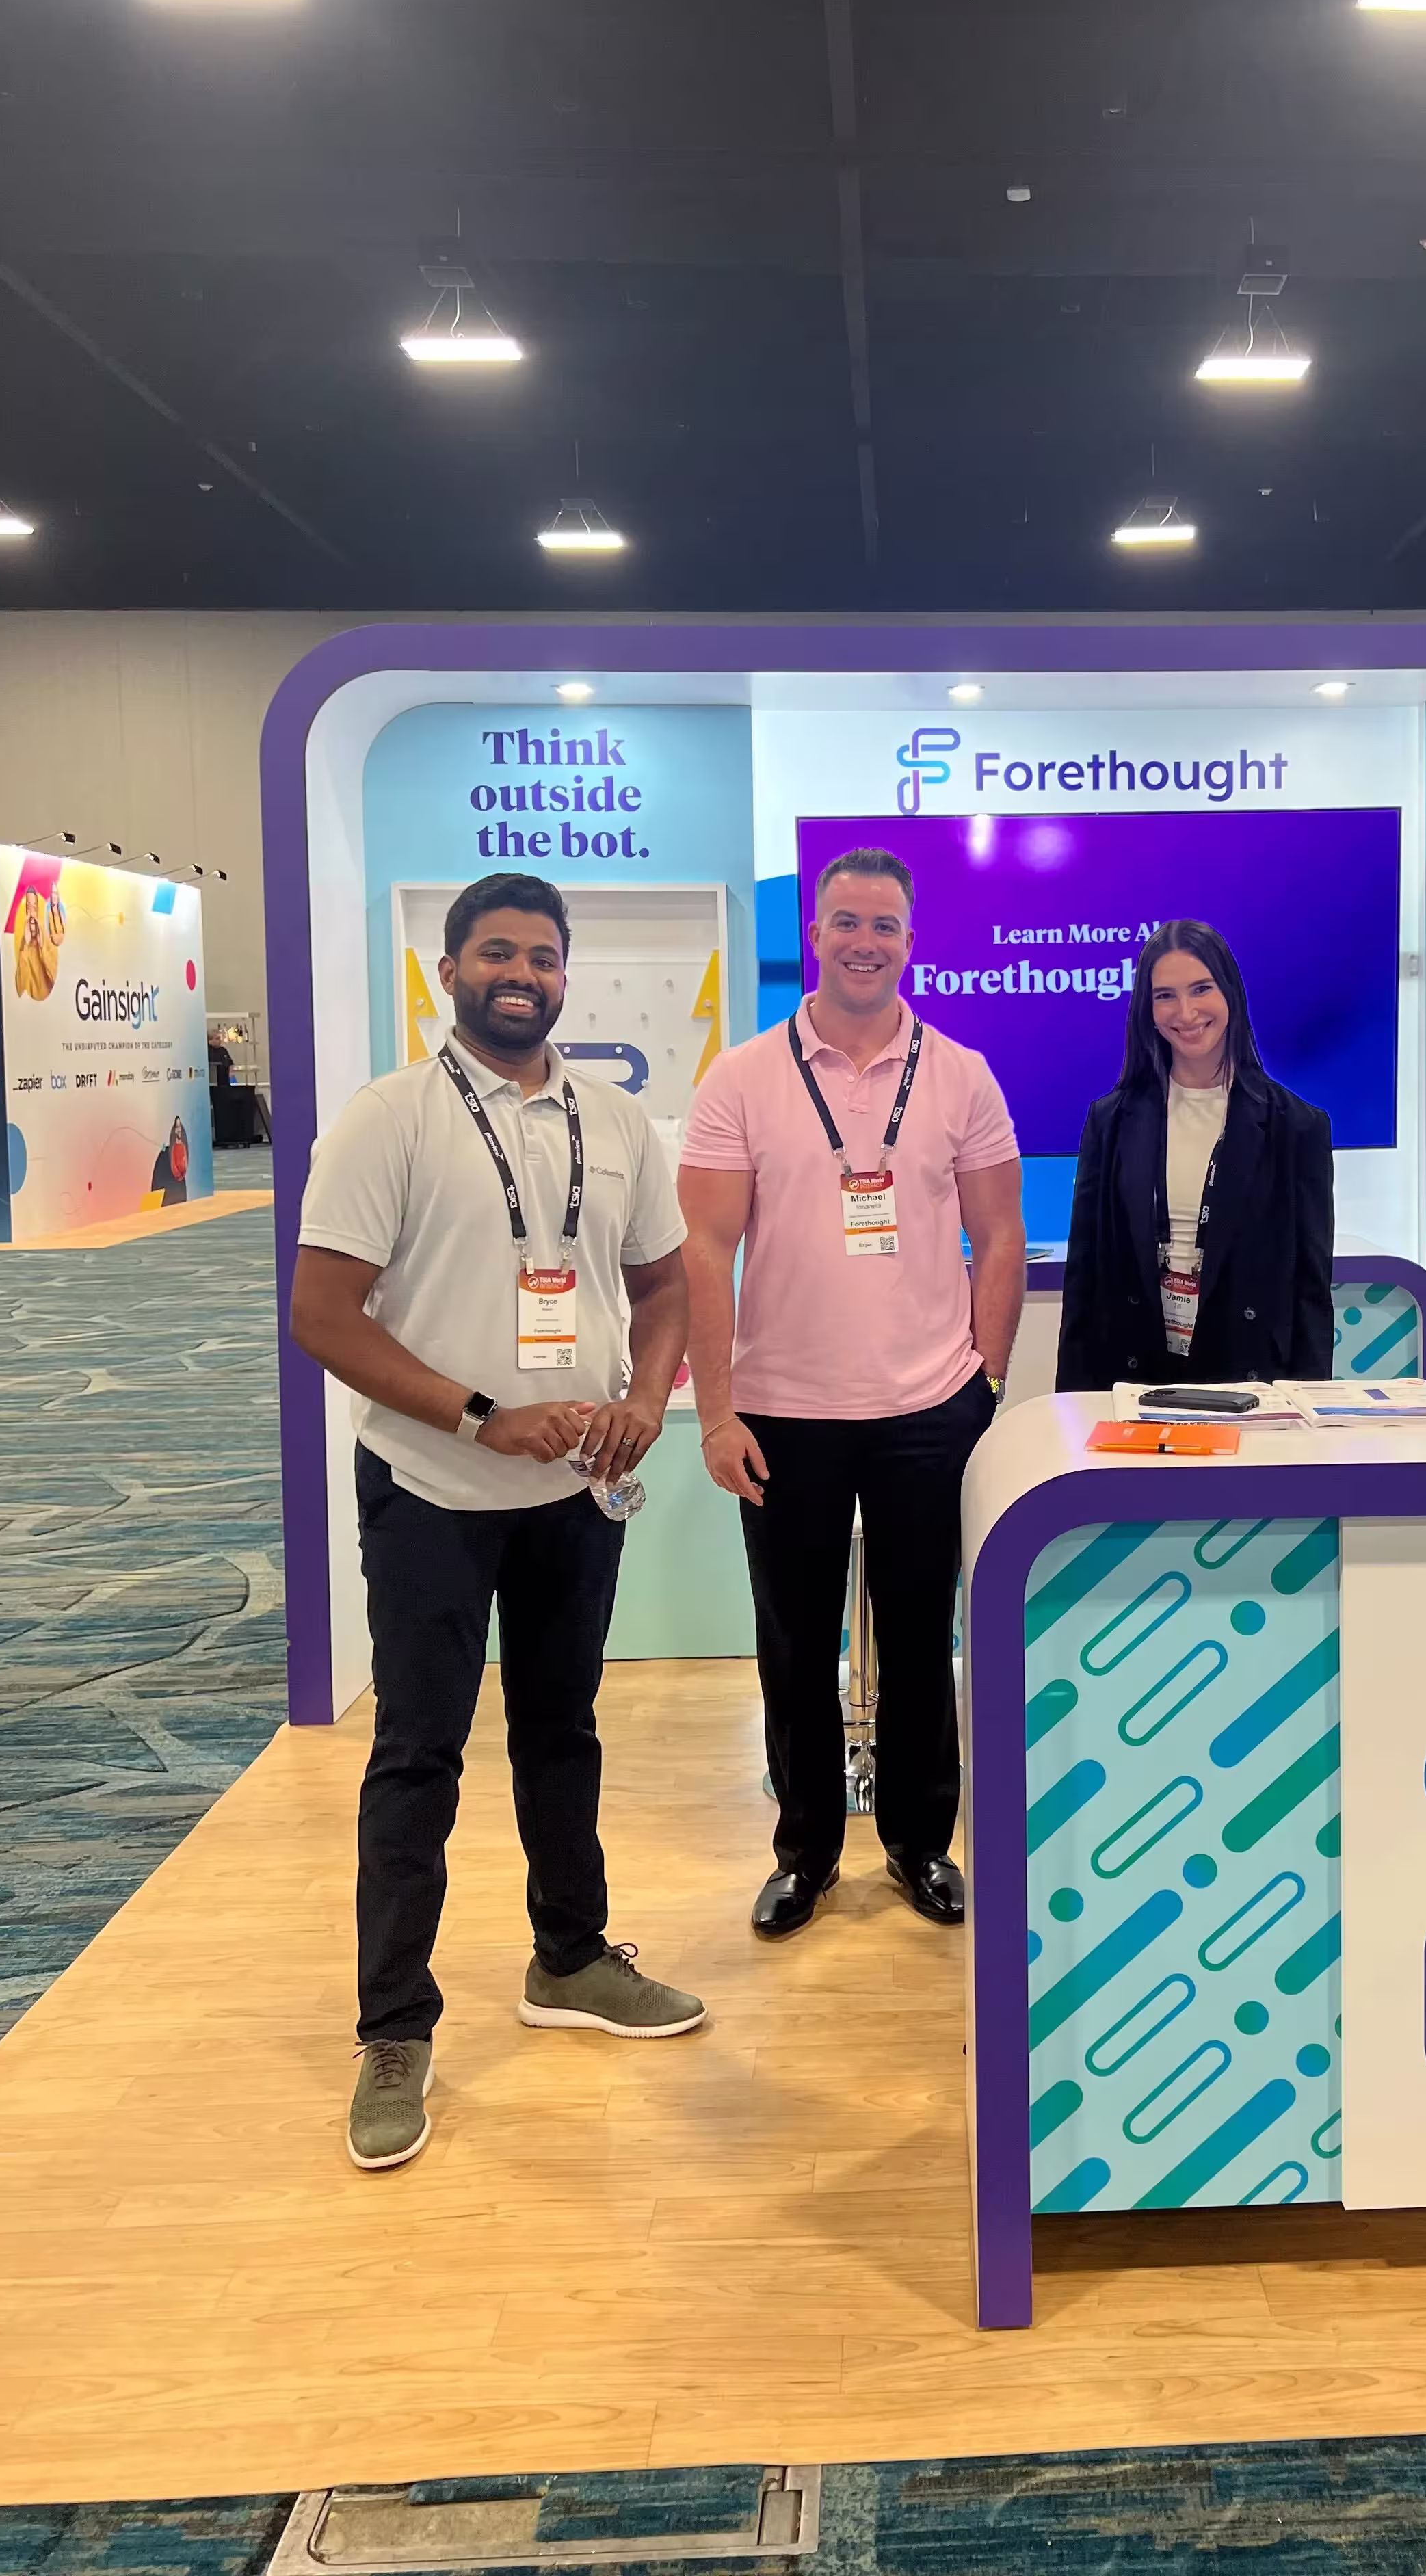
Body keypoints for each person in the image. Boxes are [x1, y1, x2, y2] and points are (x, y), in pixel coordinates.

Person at [291, 872, 702, 2174]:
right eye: (495, 952)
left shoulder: (614, 1119)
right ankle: (393, 2031)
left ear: (565, 974)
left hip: (575, 1491)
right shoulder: (391, 1118)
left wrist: (646, 1397)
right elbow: (323, 1314)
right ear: (449, 970)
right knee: (418, 1754)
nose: (520, 973)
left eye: (541, 956)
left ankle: (568, 1956)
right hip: (432, 1489)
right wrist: (480, 1416)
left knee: (560, 1730)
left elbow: (664, 1285)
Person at [678, 847, 1025, 1940]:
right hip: (783, 1414)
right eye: (845, 921)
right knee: (794, 1644)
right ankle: (807, 1855)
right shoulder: (743, 1077)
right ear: (815, 935)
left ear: (910, 943)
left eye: (884, 924)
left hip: (931, 1411)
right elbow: (703, 1249)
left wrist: (988, 1379)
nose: (864, 942)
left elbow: (1000, 1235)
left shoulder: (961, 1073)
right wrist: (718, 1410)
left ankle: (920, 1845)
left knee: (924, 1638)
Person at [1057, 919, 1334, 1391]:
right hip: (1135, 1379)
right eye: (1165, 995)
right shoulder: (1111, 1121)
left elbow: (1311, 1291)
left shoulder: (1296, 1126)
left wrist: (1309, 1402)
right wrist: (1072, 1402)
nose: (1185, 1013)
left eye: (1201, 989)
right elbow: (1084, 1278)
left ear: (1230, 993)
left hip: (1249, 1385)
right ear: (1147, 1010)